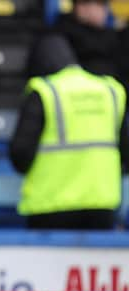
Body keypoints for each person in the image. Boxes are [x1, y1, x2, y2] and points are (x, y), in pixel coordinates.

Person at [9, 35, 129, 229]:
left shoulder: (43, 91)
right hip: (102, 205)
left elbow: (20, 155)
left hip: (49, 207)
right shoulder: (110, 91)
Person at [48, 0, 122, 79]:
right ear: (76, 6)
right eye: (85, 3)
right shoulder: (60, 36)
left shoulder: (115, 37)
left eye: (101, 4)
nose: (94, 10)